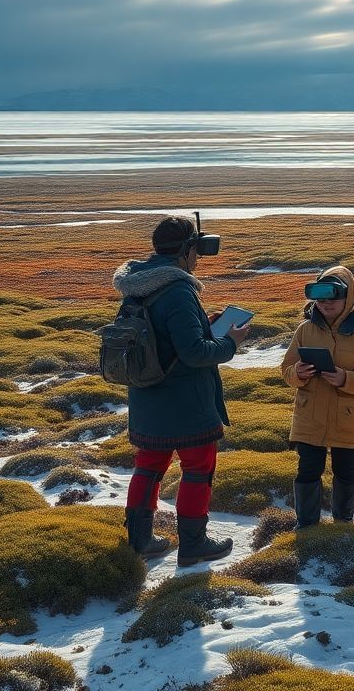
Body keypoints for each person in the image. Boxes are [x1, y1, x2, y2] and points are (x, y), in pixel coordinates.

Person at [113, 214, 250, 565]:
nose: (200, 257)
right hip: (187, 402)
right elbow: (194, 353)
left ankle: (139, 540)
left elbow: (159, 337)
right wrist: (230, 343)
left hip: (146, 397)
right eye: (197, 249)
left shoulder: (138, 284)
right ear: (188, 250)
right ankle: (194, 543)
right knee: (197, 469)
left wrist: (203, 323)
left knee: (148, 466)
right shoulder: (178, 290)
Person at [281, 266, 354, 528]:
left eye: (333, 297)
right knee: (307, 472)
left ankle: (342, 525)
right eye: (321, 297)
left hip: (347, 416)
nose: (326, 303)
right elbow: (286, 371)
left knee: (346, 472)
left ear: (348, 297)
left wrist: (345, 379)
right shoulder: (305, 329)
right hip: (309, 416)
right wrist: (299, 373)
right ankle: (306, 527)